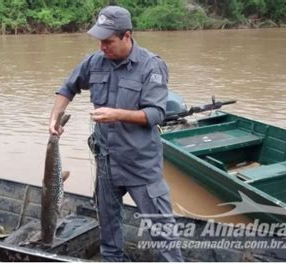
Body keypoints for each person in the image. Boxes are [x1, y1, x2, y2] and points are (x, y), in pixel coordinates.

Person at [49, 6, 183, 262]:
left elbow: (155, 114)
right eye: (100, 41)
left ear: (127, 36)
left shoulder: (150, 66)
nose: (103, 47)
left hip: (140, 164)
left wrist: (117, 114)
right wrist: (54, 118)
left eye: (108, 41)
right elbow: (67, 87)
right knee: (108, 232)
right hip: (106, 163)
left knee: (162, 230)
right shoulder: (95, 62)